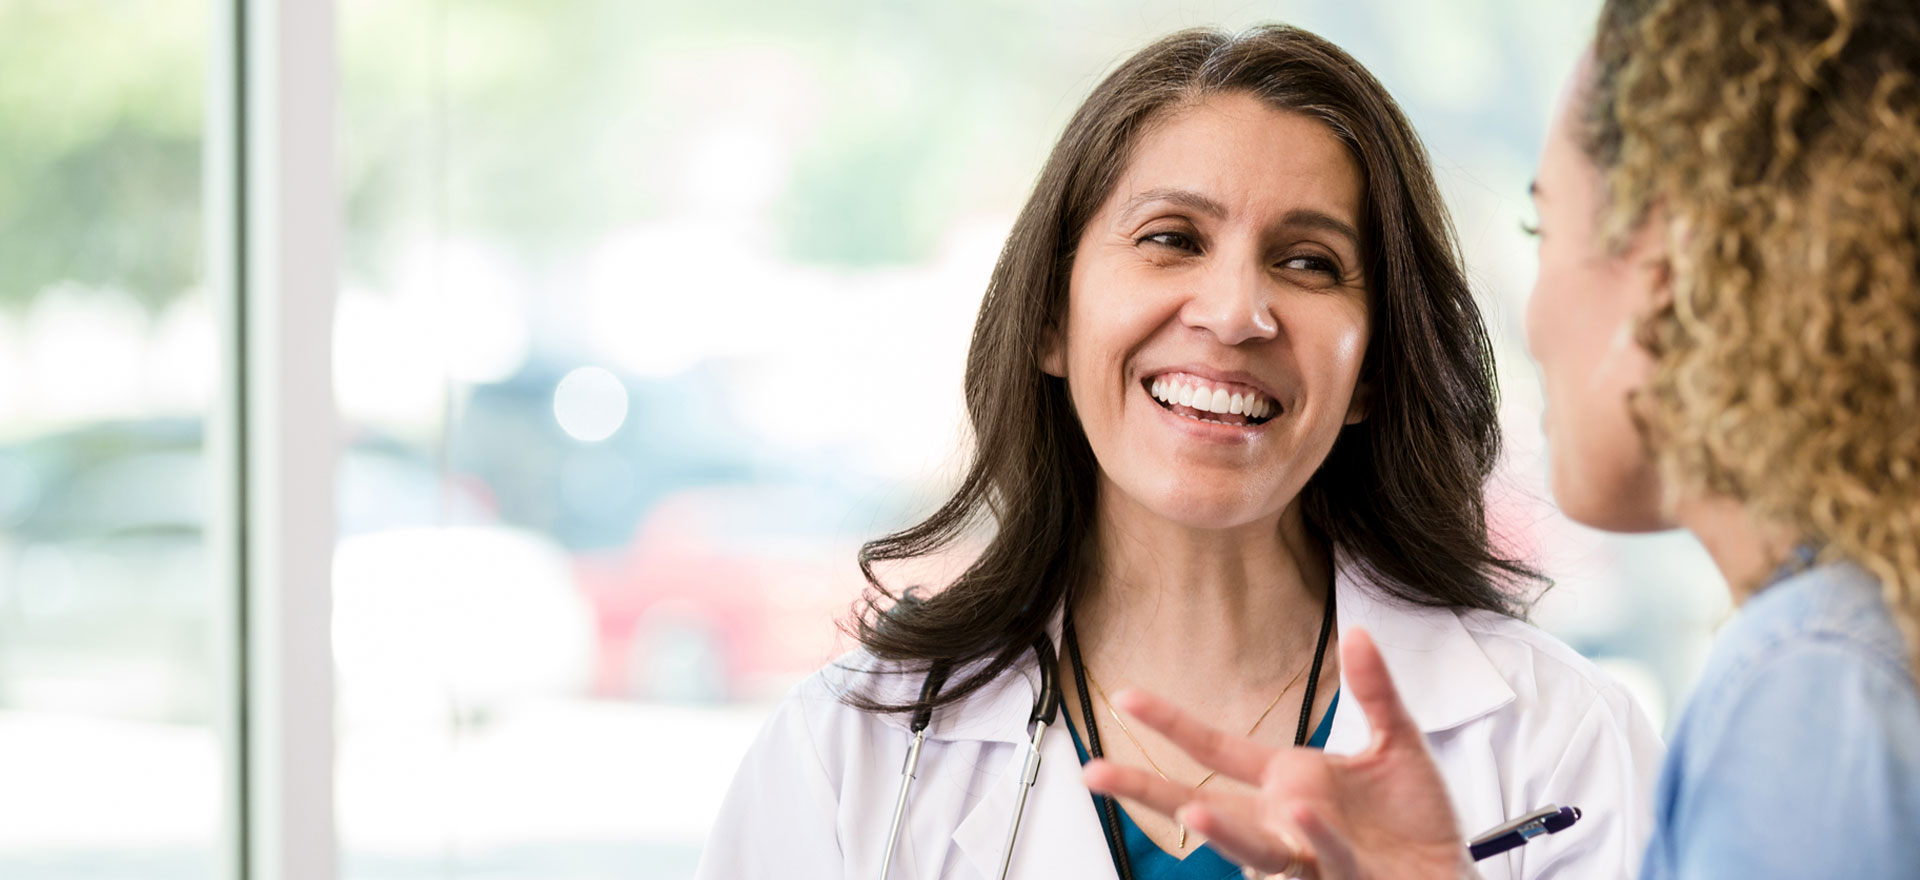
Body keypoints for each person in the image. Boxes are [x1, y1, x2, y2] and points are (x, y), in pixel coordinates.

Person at [697, 24, 1663, 880]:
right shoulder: (846, 755)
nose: (1236, 313)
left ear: (1372, 369)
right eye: (1171, 238)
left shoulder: (1561, 744)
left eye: (1308, 261)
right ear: (1051, 319)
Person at [1084, 1, 1920, 878]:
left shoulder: (1810, 681)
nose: (1233, 314)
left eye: (1543, 233)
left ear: (1668, 277)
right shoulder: (1822, 659)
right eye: (1169, 239)